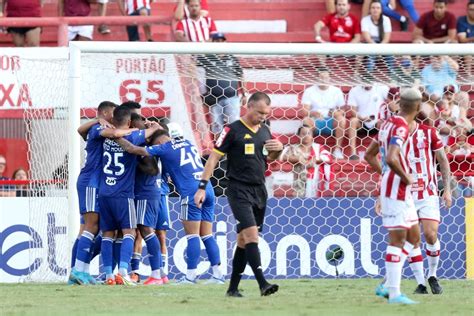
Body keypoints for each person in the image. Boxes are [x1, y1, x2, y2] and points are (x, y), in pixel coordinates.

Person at [195, 92, 283, 297]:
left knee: (244, 241)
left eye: (266, 113)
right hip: (238, 189)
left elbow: (270, 158)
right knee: (252, 235)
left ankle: (232, 289)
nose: (263, 116)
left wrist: (279, 150)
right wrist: (202, 186)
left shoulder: (265, 130)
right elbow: (213, 159)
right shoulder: (231, 130)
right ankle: (263, 284)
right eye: (260, 112)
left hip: (259, 190)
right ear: (248, 106)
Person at [117, 123, 225, 285]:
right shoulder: (188, 143)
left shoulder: (165, 148)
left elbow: (135, 150)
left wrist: (117, 137)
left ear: (158, 143)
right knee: (207, 235)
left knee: (193, 236)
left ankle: (190, 277)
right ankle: (218, 275)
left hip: (191, 193)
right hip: (207, 188)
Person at [70, 101, 139, 285]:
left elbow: (80, 130)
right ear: (107, 113)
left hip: (98, 184)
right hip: (91, 181)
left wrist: (96, 119)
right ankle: (77, 270)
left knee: (94, 228)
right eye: (112, 113)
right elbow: (111, 133)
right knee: (90, 227)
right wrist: (134, 131)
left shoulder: (100, 127)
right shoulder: (100, 128)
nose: (115, 117)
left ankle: (81, 271)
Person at [364, 88, 422, 304]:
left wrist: (389, 175)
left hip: (399, 187)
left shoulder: (387, 122)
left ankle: (386, 285)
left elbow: (369, 155)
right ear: (417, 106)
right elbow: (390, 158)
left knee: (414, 237)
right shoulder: (400, 127)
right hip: (396, 189)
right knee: (397, 240)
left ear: (400, 102)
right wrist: (405, 176)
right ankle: (394, 294)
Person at [98, 106, 159, 286]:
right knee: (129, 232)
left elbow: (110, 131)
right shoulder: (132, 137)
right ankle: (123, 272)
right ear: (130, 122)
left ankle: (108, 275)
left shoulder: (105, 136)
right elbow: (146, 133)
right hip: (123, 193)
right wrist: (154, 127)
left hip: (104, 192)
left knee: (108, 234)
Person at [405, 120, 452, 295]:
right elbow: (388, 165)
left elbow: (443, 160)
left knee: (431, 234)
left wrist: (446, 190)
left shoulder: (429, 132)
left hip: (428, 193)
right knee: (412, 238)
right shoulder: (394, 135)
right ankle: (420, 283)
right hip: (406, 194)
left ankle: (432, 275)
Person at [128, 113, 164, 285]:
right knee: (138, 232)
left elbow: (152, 170)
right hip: (146, 193)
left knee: (146, 231)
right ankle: (139, 273)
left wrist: (133, 160)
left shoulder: (145, 148)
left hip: (145, 193)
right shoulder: (148, 144)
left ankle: (156, 274)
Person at [198, 32, 245, 134]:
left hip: (232, 97)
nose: (220, 43)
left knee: (234, 125)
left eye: (221, 40)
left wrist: (244, 93)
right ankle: (218, 147)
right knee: (216, 126)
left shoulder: (232, 57)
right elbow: (196, 68)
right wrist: (203, 94)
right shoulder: (207, 57)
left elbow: (240, 75)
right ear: (212, 42)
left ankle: (234, 147)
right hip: (214, 98)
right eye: (217, 41)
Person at [301, 68, 346, 159]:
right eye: (321, 77)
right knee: (306, 120)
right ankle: (307, 150)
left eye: (326, 77)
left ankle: (337, 150)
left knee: (342, 119)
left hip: (331, 122)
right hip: (316, 122)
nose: (323, 80)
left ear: (329, 78)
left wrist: (336, 113)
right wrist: (313, 113)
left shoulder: (336, 91)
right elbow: (304, 111)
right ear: (317, 78)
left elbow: (343, 110)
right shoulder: (309, 91)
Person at [280, 125, 332, 197]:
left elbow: (328, 157)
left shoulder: (317, 147)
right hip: (298, 180)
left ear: (312, 136)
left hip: (313, 179)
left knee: (312, 200)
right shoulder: (293, 148)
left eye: (309, 133)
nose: (306, 136)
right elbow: (281, 156)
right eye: (303, 134)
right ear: (298, 135)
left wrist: (315, 160)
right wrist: (297, 159)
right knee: (298, 200)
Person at [347, 84, 389, 159]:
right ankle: (353, 153)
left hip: (377, 123)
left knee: (383, 123)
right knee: (353, 121)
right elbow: (352, 110)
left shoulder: (382, 88)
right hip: (361, 122)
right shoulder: (354, 90)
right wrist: (362, 118)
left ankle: (384, 152)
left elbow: (391, 100)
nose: (367, 84)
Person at [457, 0, 474, 76]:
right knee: (468, 50)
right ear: (467, 10)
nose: (473, 12)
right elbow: (462, 40)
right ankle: (468, 76)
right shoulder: (461, 21)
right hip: (465, 49)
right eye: (471, 9)